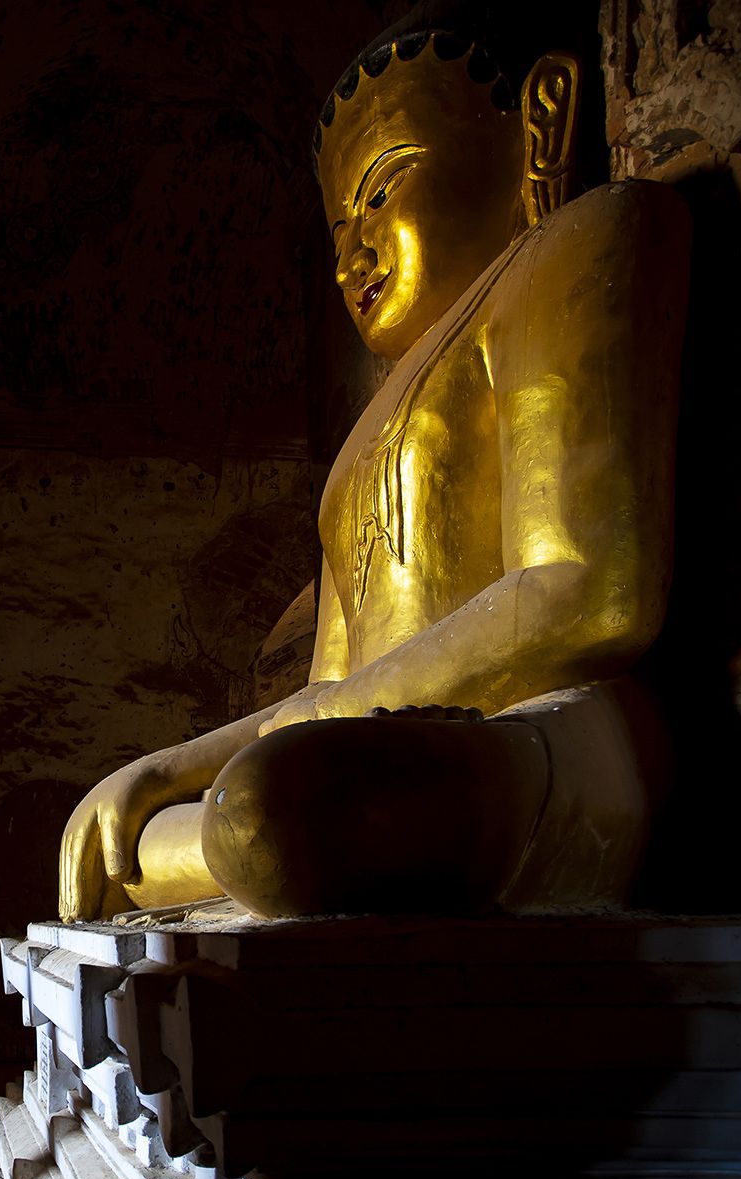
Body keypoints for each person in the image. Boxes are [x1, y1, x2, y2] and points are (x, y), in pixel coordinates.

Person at [58, 12, 690, 921]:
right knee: (134, 845)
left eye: (385, 187)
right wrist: (163, 770)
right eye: (339, 225)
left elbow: (592, 590)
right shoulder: (359, 442)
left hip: (547, 735)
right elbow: (326, 689)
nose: (353, 249)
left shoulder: (578, 246)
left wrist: (280, 744)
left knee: (270, 814)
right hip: (371, 748)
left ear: (539, 122)